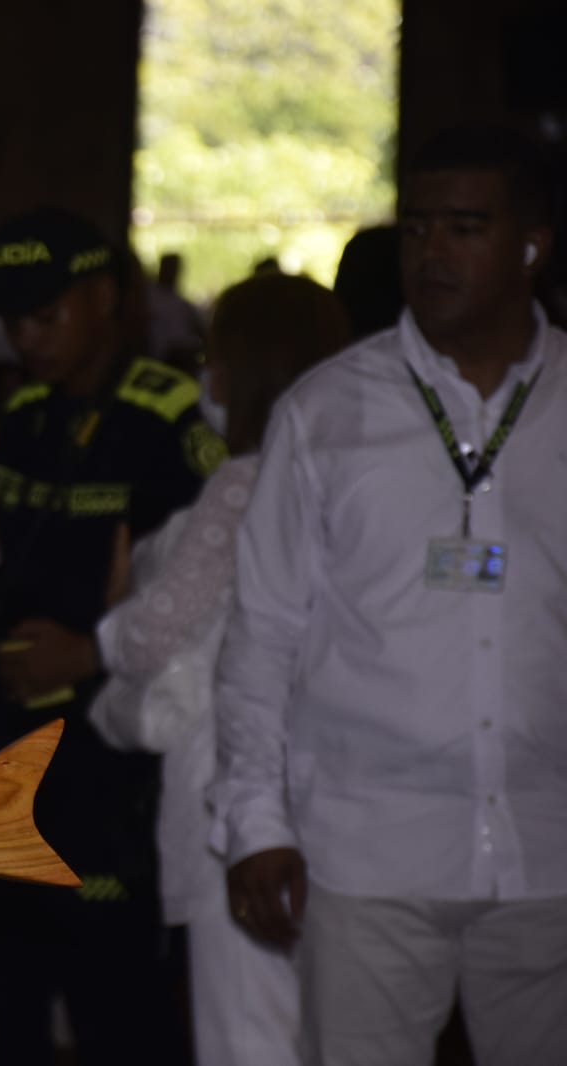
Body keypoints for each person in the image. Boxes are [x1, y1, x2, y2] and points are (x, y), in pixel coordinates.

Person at [213, 124, 567, 1065]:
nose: (434, 254)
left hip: (551, 852)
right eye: (416, 230)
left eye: (465, 227)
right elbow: (263, 634)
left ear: (534, 244)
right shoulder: (327, 413)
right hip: (365, 850)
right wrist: (255, 821)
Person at [0, 207, 221, 1065]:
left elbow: (199, 598)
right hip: (13, 739)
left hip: (111, 749)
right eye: (14, 320)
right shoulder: (25, 417)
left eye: (46, 314)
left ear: (105, 298)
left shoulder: (167, 421)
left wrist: (88, 648)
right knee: (9, 991)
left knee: (119, 1005)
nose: (27, 337)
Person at [90, 273, 350, 1066]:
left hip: (234, 793)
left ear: (247, 367)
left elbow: (151, 635)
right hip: (335, 790)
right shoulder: (347, 477)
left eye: (215, 354)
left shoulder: (248, 481)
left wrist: (102, 626)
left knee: (250, 1036)